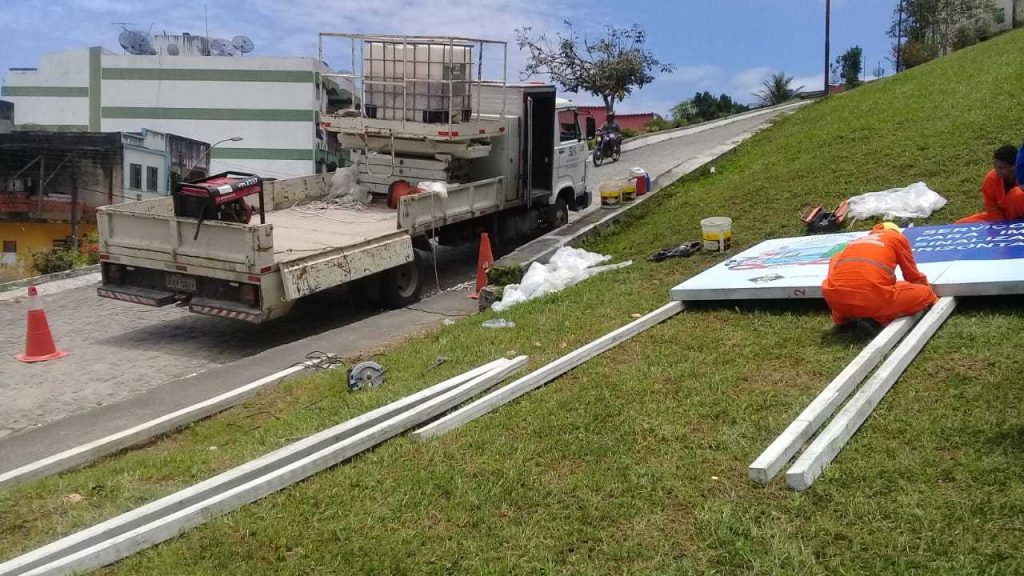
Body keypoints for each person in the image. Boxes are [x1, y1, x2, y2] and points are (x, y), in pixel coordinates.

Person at [821, 222, 938, 328]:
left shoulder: (855, 242)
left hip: (836, 303)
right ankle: (881, 316)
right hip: (872, 301)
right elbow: (912, 276)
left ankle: (841, 318)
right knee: (924, 293)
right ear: (896, 232)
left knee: (846, 281)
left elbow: (838, 275)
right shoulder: (897, 238)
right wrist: (931, 296)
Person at [956, 144, 1024, 223]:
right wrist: (1002, 226)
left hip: (1020, 218)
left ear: (1014, 166)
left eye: (1001, 168)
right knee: (960, 224)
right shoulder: (991, 178)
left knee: (1017, 194)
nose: (996, 170)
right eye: (995, 166)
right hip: (1002, 218)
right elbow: (992, 208)